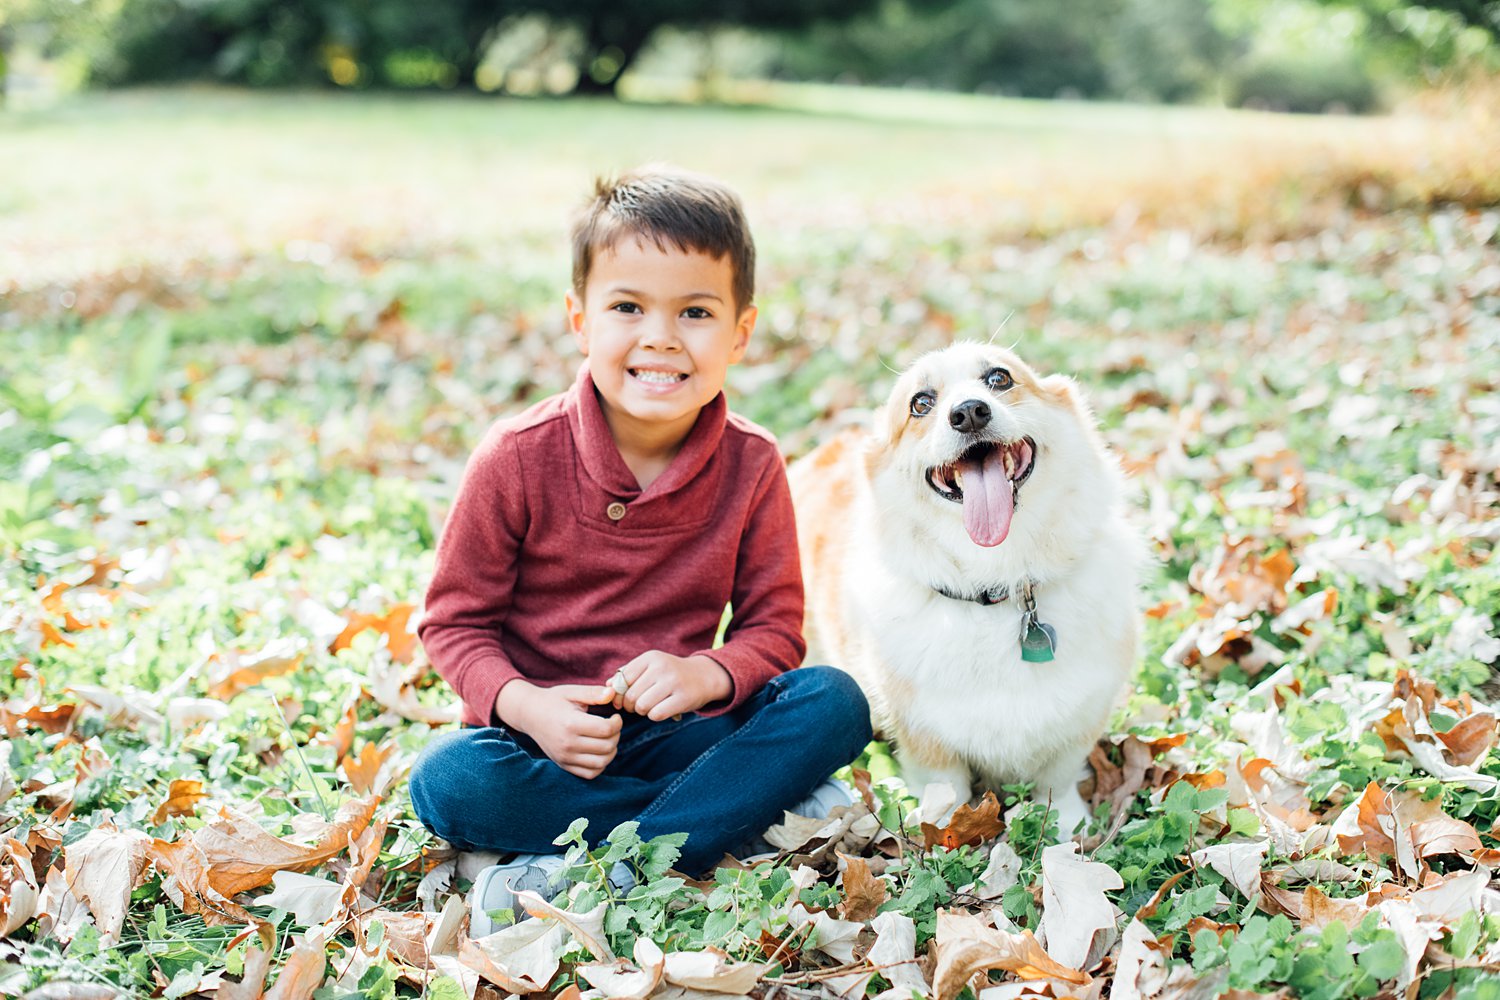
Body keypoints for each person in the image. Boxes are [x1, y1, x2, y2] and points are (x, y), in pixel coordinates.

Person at [408, 165, 873, 935]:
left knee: (834, 700)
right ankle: (731, 815)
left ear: (739, 333)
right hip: (544, 748)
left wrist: (705, 673)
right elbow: (452, 625)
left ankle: (610, 859)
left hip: (684, 734)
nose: (659, 336)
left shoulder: (753, 463)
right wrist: (530, 707)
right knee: (447, 783)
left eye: (694, 311)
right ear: (581, 319)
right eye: (628, 307)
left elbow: (775, 631)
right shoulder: (517, 455)